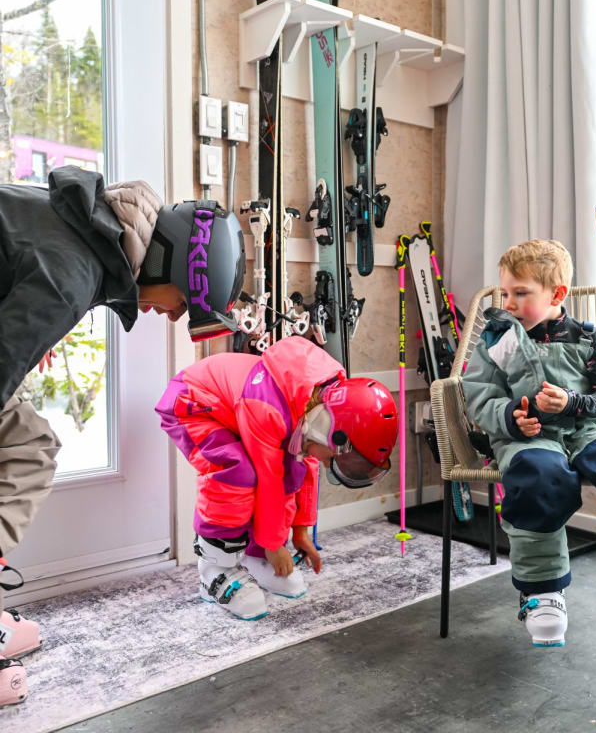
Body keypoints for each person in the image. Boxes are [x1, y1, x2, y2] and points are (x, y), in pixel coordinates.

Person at [0, 165, 246, 705]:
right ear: (168, 265)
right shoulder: (71, 274)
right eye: (179, 304)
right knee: (25, 451)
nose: (167, 315)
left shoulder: (78, 231)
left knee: (21, 437)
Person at [462, 239, 596, 647]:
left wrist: (573, 402)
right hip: (531, 438)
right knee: (540, 475)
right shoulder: (498, 340)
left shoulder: (589, 340)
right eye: (505, 293)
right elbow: (479, 395)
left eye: (521, 293)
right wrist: (511, 418)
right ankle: (542, 591)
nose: (510, 302)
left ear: (557, 295)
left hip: (586, 430)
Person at [154, 334, 399, 620]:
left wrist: (299, 531)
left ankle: (256, 556)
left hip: (231, 410)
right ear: (324, 427)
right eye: (332, 455)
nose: (325, 460)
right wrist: (275, 545)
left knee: (291, 467)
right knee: (237, 473)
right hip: (192, 403)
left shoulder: (315, 404)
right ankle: (214, 570)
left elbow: (304, 470)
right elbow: (269, 480)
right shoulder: (269, 407)